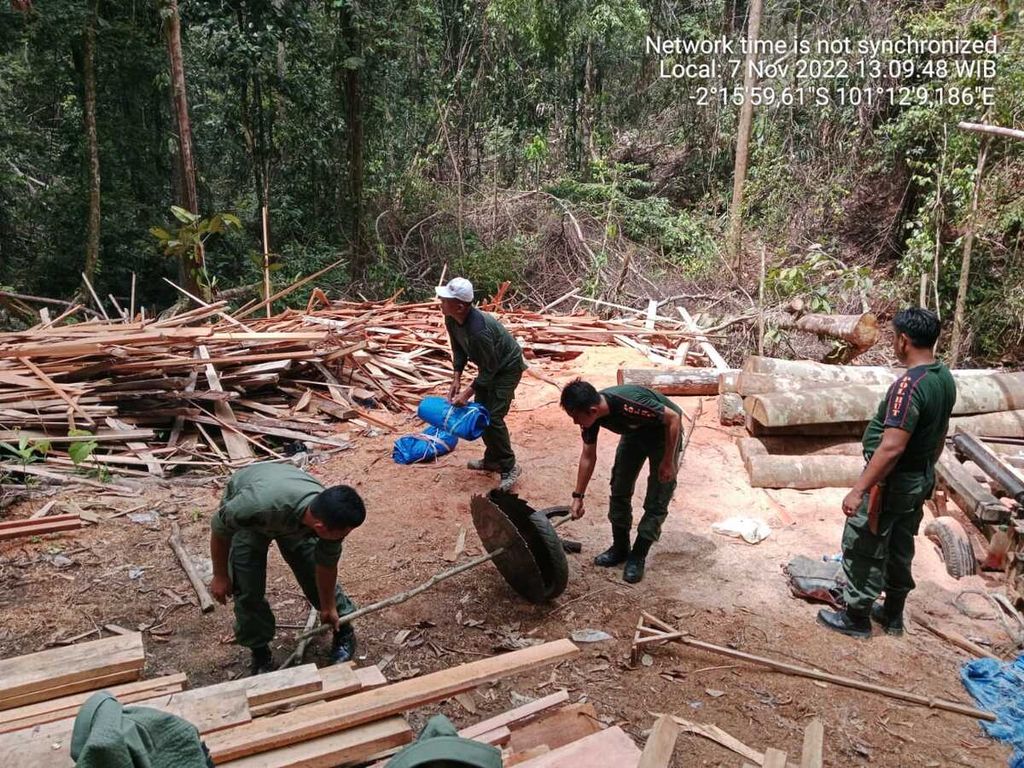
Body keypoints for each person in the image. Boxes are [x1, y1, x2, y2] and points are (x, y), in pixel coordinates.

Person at [818, 308, 956, 638]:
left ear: (904, 341)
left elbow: (892, 446)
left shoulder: (909, 386)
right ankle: (893, 614)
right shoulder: (943, 377)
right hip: (918, 478)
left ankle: (857, 617)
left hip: (893, 481)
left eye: (895, 337)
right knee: (899, 544)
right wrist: (926, 474)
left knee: (865, 541)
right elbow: (939, 434)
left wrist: (860, 490)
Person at [208, 462, 365, 674]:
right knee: (247, 587)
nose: (344, 538)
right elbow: (219, 529)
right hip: (253, 517)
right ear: (321, 528)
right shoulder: (251, 506)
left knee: (309, 569)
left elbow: (325, 565)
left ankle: (343, 630)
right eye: (343, 534)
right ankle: (260, 652)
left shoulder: (332, 516)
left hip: (291, 509)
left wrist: (328, 606)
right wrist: (220, 575)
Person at [560, 379, 683, 583]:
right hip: (634, 434)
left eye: (576, 417)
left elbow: (673, 418)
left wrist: (668, 461)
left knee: (658, 496)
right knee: (619, 487)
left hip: (664, 434)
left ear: (592, 410)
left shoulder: (629, 403)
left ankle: (638, 555)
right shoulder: (592, 417)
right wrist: (577, 497)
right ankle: (620, 548)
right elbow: (588, 456)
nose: (575, 422)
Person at [436, 276, 527, 491]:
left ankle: (509, 466)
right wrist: (456, 377)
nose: (441, 302)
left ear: (460, 306)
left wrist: (466, 394)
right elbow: (458, 349)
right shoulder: (451, 319)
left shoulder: (479, 331)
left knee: (493, 417)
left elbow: (490, 368)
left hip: (507, 368)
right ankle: (492, 460)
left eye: (445, 300)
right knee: (481, 413)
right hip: (491, 367)